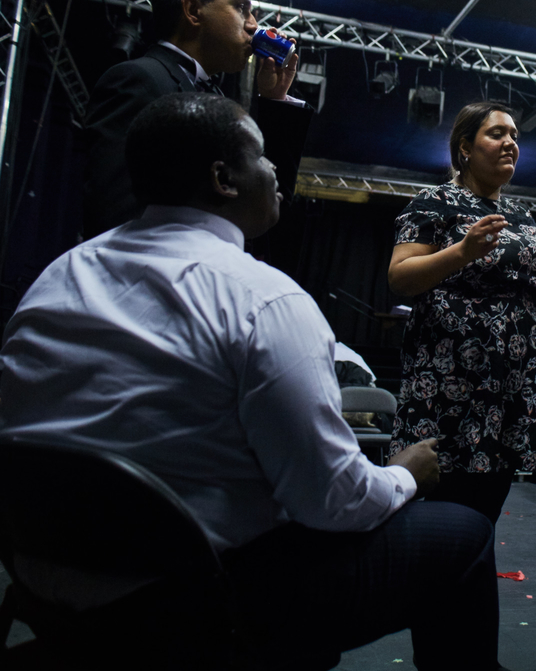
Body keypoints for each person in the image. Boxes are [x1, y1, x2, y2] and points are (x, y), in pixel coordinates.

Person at [0, 93, 500, 671]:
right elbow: (333, 503)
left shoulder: (57, 277)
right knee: (464, 532)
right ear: (223, 178)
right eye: (263, 157)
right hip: (196, 608)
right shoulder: (264, 299)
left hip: (48, 588)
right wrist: (403, 474)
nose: (276, 173)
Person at [387, 101, 536, 526]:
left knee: (482, 518)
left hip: (507, 390)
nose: (510, 142)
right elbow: (400, 278)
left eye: (514, 135)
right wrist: (462, 251)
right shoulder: (434, 202)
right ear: (464, 148)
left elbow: (531, 300)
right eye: (497, 134)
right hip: (447, 387)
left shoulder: (523, 218)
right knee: (437, 520)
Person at [82, 0, 311, 239]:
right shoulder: (139, 80)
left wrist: (275, 101)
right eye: (241, 8)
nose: (253, 25)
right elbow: (113, 214)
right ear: (193, 10)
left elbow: (265, 209)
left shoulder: (213, 97)